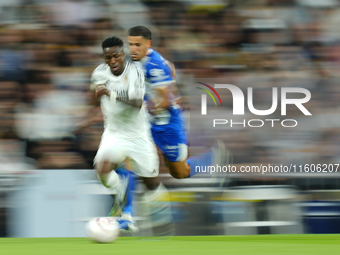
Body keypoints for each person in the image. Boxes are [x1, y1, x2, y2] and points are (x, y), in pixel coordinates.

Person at [127, 26, 229, 179]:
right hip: (149, 123)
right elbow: (170, 70)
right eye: (131, 44)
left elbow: (165, 101)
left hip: (166, 125)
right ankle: (128, 200)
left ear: (148, 44)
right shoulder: (139, 61)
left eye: (137, 45)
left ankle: (213, 157)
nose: (133, 48)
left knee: (179, 172)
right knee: (126, 157)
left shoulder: (154, 66)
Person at [89, 36, 160, 233]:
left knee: (151, 183)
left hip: (138, 135)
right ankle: (123, 207)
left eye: (115, 56)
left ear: (123, 54)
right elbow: (94, 93)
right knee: (102, 170)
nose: (112, 61)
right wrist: (93, 105)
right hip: (114, 133)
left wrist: (110, 93)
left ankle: (130, 207)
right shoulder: (98, 73)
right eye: (108, 57)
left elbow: (137, 103)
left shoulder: (135, 72)